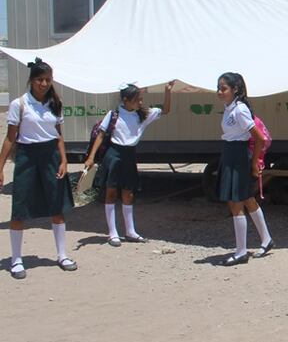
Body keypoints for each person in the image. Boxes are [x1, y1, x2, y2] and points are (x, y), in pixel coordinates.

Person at [0, 58, 75, 279]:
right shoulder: (19, 104)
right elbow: (10, 138)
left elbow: (59, 135)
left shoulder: (55, 103)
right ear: (31, 80)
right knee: (20, 208)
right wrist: (1, 166)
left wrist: (63, 160)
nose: (44, 84)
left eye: (48, 80)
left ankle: (62, 255)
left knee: (57, 206)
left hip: (51, 156)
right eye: (40, 79)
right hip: (27, 157)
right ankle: (16, 260)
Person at [84, 81, 175, 246]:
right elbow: (101, 135)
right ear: (126, 99)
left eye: (141, 99)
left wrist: (168, 91)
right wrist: (91, 157)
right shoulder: (114, 114)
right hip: (114, 155)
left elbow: (166, 110)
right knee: (111, 192)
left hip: (129, 155)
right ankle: (112, 233)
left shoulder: (142, 114)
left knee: (129, 193)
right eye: (137, 99)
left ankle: (130, 231)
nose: (140, 102)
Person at [216, 72, 274, 266]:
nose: (219, 92)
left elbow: (259, 138)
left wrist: (254, 162)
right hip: (231, 154)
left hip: (238, 156)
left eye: (223, 88)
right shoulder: (229, 108)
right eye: (219, 88)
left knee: (236, 203)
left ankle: (241, 251)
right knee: (248, 199)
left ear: (235, 90)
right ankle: (266, 239)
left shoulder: (239, 109)